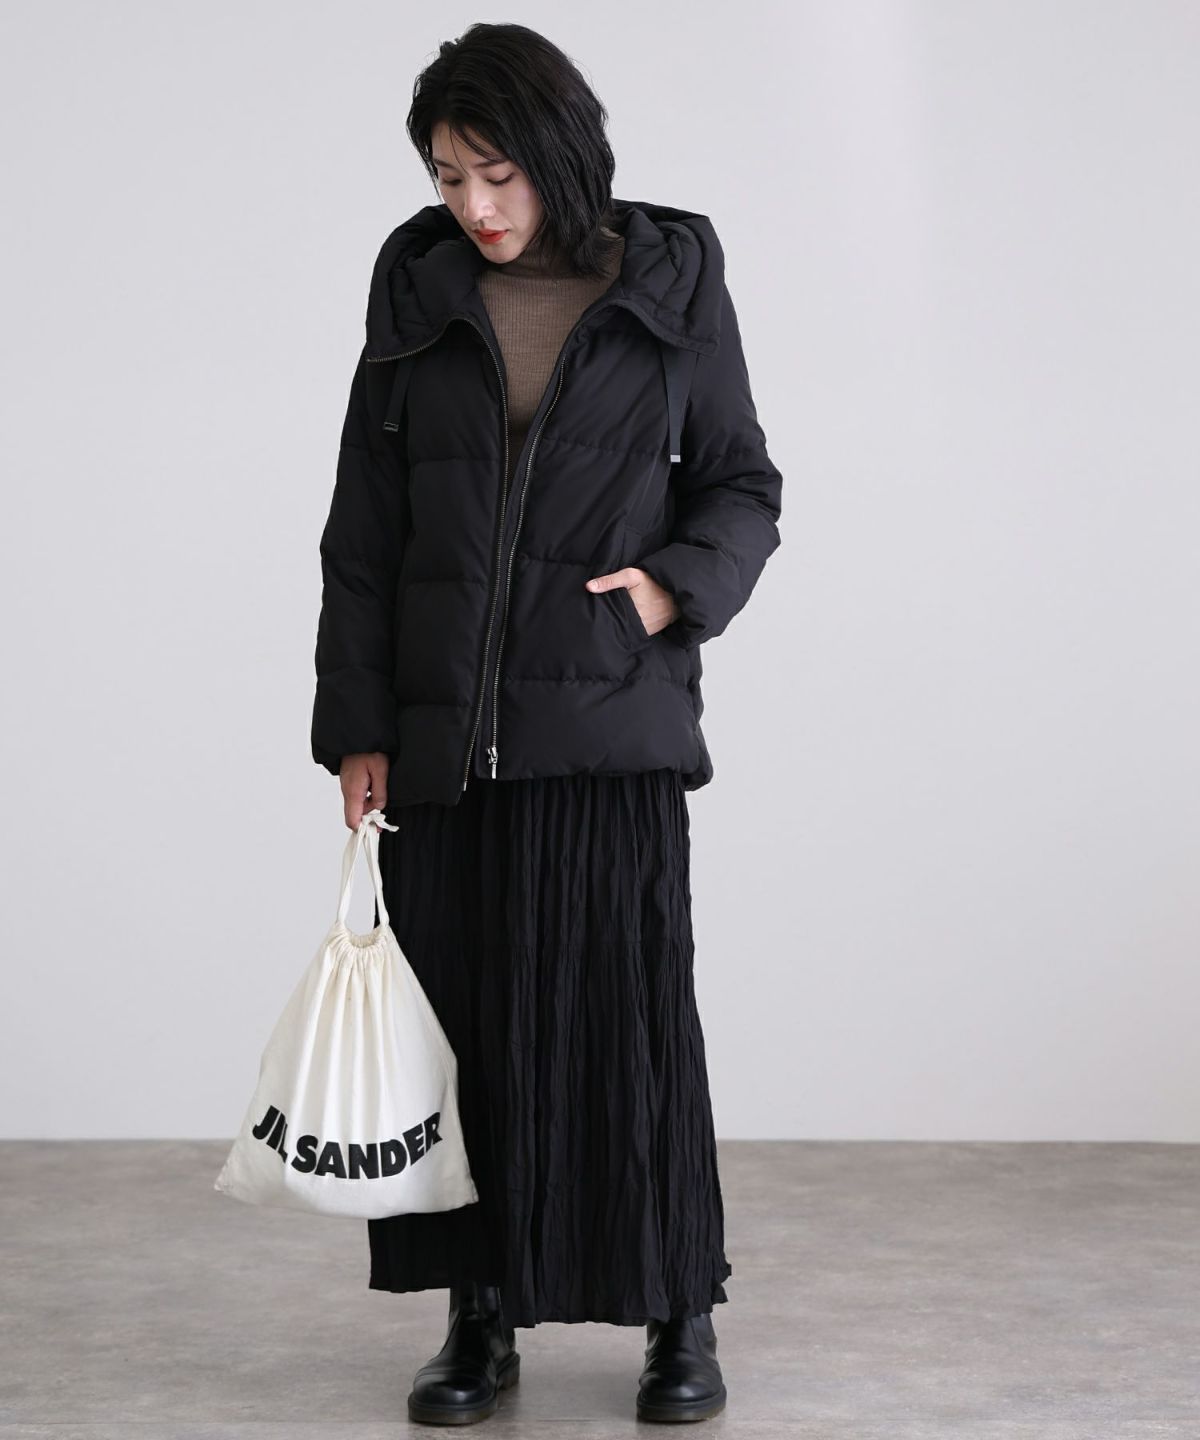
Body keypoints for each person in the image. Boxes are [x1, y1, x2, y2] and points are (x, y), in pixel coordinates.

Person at [310, 21, 783, 1426]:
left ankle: (679, 1313)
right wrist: (358, 725)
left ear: (561, 155)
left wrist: (670, 592)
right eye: (449, 176)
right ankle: (481, 1316)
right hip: (445, 740)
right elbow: (365, 530)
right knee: (466, 1039)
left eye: (499, 174)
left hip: (610, 726)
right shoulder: (416, 288)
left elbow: (741, 485)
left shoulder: (671, 282)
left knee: (631, 1034)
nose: (476, 206)